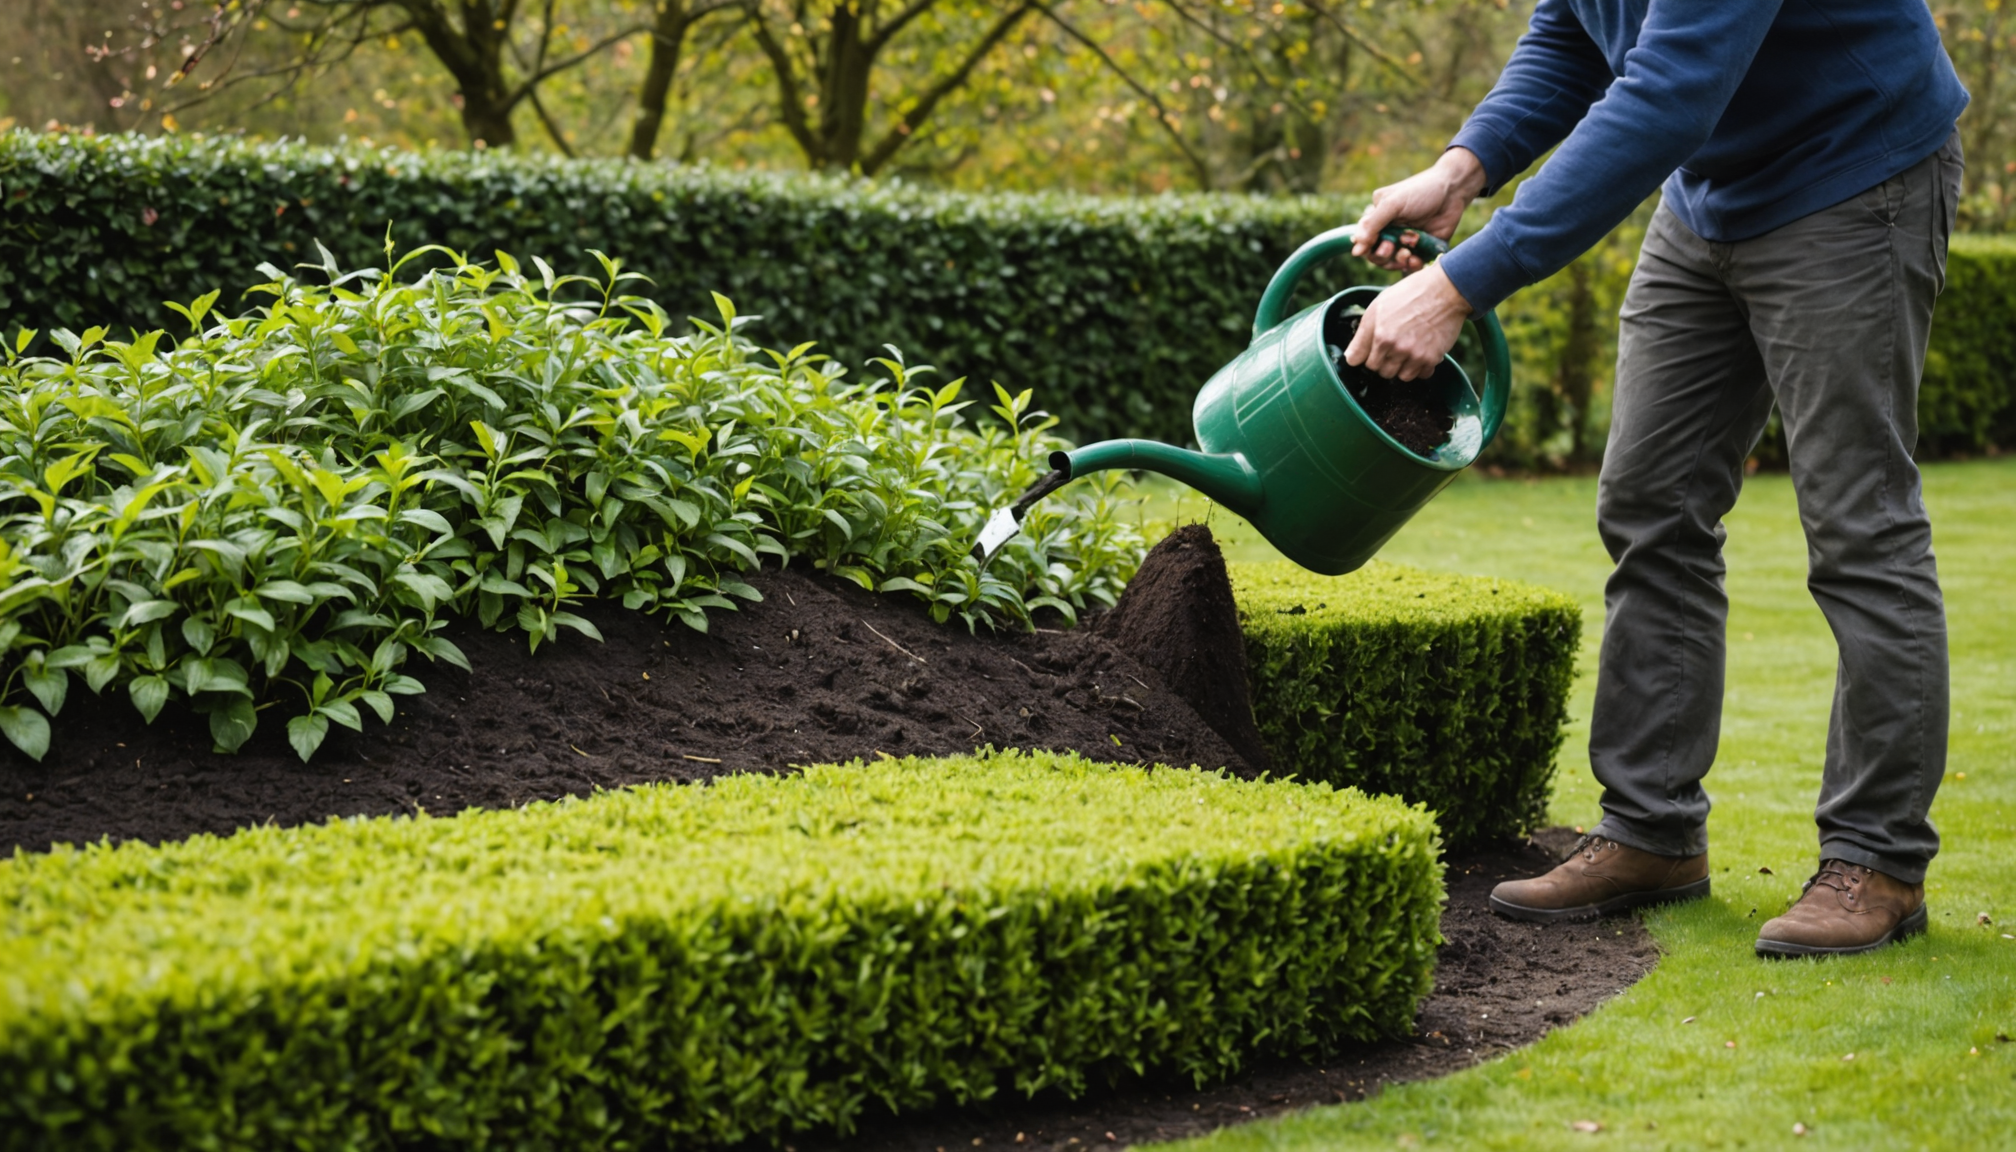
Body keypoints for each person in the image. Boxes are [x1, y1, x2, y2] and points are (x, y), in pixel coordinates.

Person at [1343, 0, 1967, 957]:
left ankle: (1876, 859)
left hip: (1851, 173)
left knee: (1859, 525)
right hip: (1709, 194)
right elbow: (1573, 27)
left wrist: (1458, 282)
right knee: (1650, 505)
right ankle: (1651, 830)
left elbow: (1670, 92)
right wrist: (1462, 166)